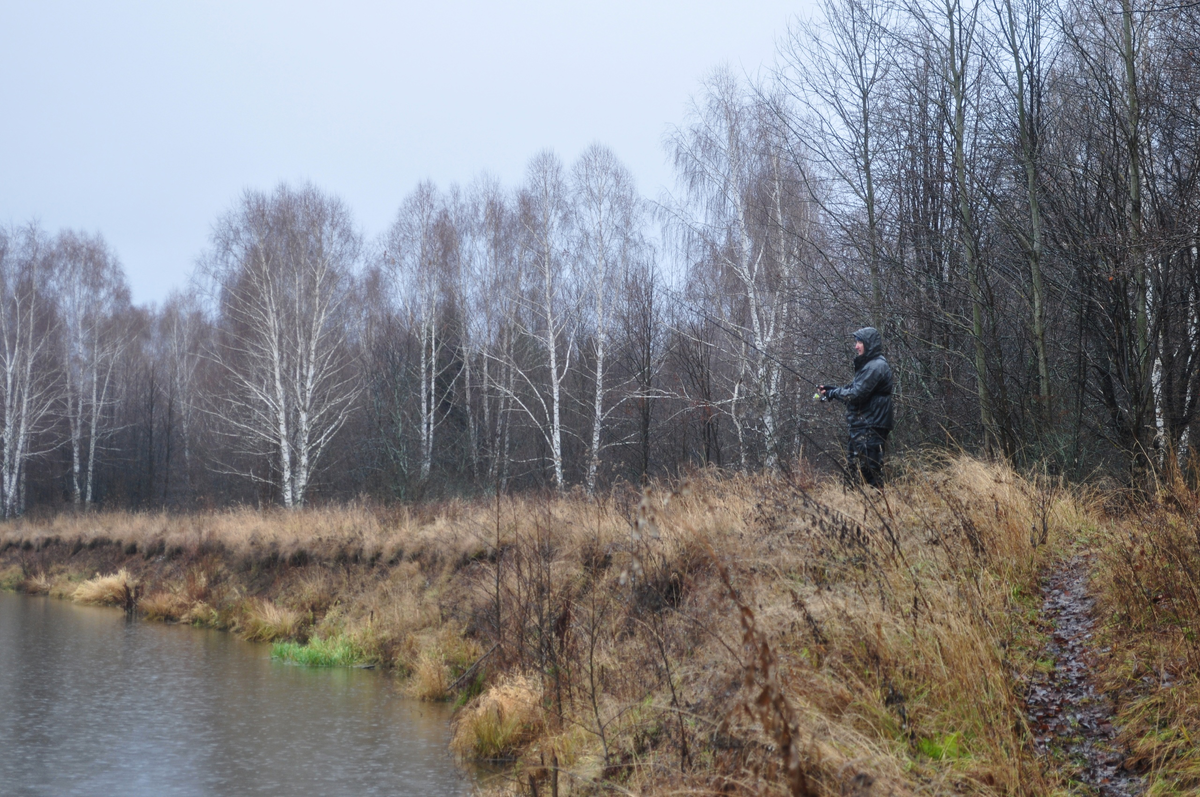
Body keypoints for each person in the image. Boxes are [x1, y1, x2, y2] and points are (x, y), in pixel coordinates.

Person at [818, 327, 894, 487]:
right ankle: (859, 506)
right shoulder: (870, 366)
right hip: (864, 424)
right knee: (854, 471)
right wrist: (832, 390)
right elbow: (854, 393)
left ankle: (880, 506)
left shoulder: (875, 366)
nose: (856, 346)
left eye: (859, 342)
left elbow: (856, 394)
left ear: (869, 344)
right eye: (856, 342)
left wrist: (833, 393)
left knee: (870, 472)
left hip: (871, 425)